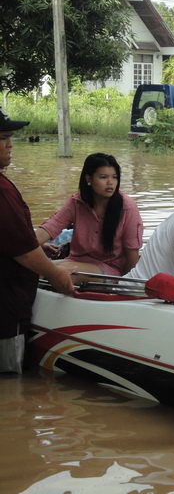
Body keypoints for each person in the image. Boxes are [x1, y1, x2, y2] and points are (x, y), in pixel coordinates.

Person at [0, 108, 73, 373]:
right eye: (3, 137)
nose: (10, 144)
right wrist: (56, 275)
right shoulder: (3, 191)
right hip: (6, 312)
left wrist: (33, 242)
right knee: (10, 388)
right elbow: (25, 254)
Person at [35, 153, 143, 281]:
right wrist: (24, 247)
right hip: (74, 261)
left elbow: (132, 255)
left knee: (60, 273)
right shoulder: (77, 202)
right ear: (88, 179)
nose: (110, 183)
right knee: (34, 267)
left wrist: (125, 286)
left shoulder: (127, 207)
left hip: (110, 269)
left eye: (114, 177)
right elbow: (51, 227)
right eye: (103, 177)